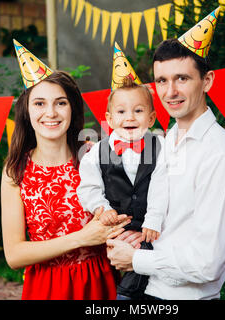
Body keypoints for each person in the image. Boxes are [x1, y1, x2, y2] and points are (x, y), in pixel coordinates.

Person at [106, 8, 225, 300]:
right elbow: (169, 223)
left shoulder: (221, 155)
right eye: (162, 80)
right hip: (145, 290)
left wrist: (136, 260)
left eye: (182, 78)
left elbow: (208, 263)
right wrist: (139, 238)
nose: (170, 91)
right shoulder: (165, 140)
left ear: (207, 81)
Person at [1, 40, 131, 300]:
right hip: (46, 288)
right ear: (26, 111)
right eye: (39, 104)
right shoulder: (15, 170)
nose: (51, 113)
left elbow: (128, 213)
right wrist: (81, 238)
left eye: (60, 103)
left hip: (99, 283)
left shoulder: (94, 156)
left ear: (72, 108)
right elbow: (14, 256)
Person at [77, 77, 169, 300]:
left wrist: (154, 220)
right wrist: (101, 208)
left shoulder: (162, 146)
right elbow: (88, 187)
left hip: (153, 228)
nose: (129, 117)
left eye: (138, 110)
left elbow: (163, 185)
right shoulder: (97, 152)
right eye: (121, 112)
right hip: (118, 225)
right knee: (121, 263)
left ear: (151, 117)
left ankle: (127, 296)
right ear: (109, 118)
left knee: (146, 265)